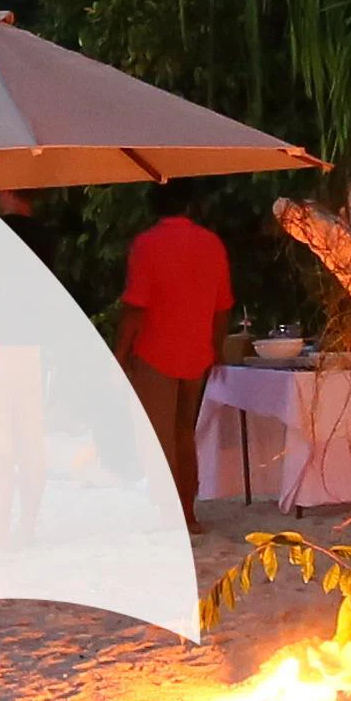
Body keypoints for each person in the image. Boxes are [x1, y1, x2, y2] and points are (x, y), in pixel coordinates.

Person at [118, 198, 232, 516]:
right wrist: (217, 347)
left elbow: (135, 306)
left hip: (156, 352)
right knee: (185, 434)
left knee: (159, 437)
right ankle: (187, 510)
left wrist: (121, 350)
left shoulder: (147, 244)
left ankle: (170, 513)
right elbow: (223, 306)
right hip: (197, 351)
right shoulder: (211, 243)